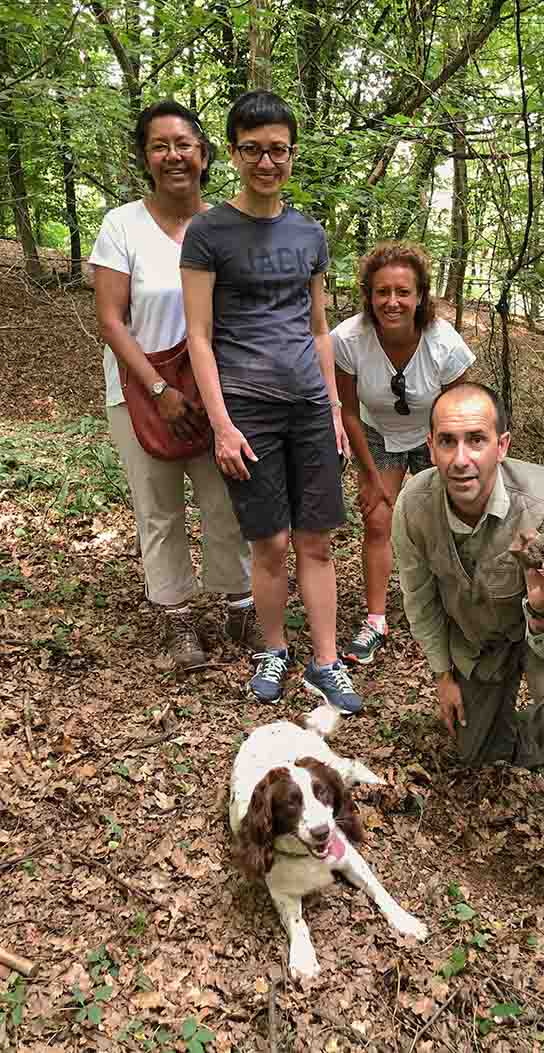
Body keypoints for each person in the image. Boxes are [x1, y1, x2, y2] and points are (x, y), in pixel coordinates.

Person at [391, 382, 544, 980]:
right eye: (447, 442)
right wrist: (443, 675)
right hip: (480, 640)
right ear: (430, 447)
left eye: (476, 440)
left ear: (502, 445)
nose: (461, 458)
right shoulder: (414, 506)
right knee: (476, 749)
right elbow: (420, 601)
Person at [180, 89, 363, 714]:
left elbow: (318, 328)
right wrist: (223, 426)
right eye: (253, 150)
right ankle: (272, 649)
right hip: (248, 409)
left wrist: (336, 411)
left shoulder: (310, 233)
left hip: (310, 406)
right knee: (271, 543)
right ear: (231, 154)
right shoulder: (208, 232)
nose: (267, 162)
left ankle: (326, 661)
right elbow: (198, 336)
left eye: (278, 150)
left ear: (291, 154)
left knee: (316, 541)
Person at [90, 100, 260, 671]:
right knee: (158, 508)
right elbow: (112, 319)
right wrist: (160, 391)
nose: (173, 156)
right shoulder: (122, 226)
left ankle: (239, 606)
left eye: (183, 144)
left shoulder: (225, 226)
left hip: (214, 393)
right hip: (140, 394)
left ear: (206, 154)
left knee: (225, 503)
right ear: (145, 157)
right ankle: (177, 622)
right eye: (159, 146)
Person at [333, 242, 475, 666]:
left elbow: (459, 411)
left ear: (420, 296)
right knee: (378, 518)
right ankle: (376, 620)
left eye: (403, 292)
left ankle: (458, 611)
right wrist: (369, 476)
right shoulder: (349, 339)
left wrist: (446, 463)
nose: (392, 302)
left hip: (437, 432)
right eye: (382, 292)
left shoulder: (443, 343)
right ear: (369, 295)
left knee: (452, 518)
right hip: (376, 432)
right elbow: (350, 413)